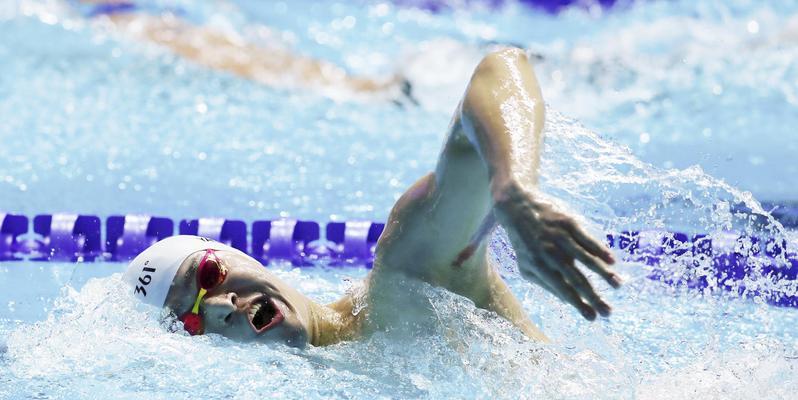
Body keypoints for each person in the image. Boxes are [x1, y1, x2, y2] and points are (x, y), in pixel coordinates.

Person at [124, 48, 621, 347]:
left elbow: (499, 69)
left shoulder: (407, 282)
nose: (223, 307)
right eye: (191, 320)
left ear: (236, 255)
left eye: (209, 277)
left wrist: (512, 187)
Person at [76, 0, 410, 102]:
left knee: (235, 48)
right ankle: (358, 87)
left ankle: (358, 86)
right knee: (229, 49)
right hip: (123, 14)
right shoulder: (123, 19)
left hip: (135, 13)